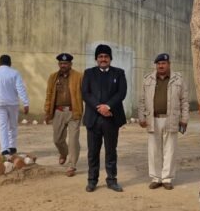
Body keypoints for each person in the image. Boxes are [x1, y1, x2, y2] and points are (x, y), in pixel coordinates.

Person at [138, 53, 189, 190]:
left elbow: (184, 101)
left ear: (169, 64)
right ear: (156, 65)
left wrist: (184, 119)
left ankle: (167, 178)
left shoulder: (178, 80)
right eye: (159, 64)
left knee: (170, 150)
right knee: (153, 150)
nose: (161, 66)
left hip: (171, 118)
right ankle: (156, 178)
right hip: (153, 119)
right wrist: (141, 117)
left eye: (163, 63)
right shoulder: (148, 79)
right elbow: (142, 100)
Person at [81, 44, 127, 192]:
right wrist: (99, 107)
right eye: (100, 56)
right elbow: (85, 93)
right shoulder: (89, 73)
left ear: (110, 58)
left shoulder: (119, 73)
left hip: (111, 118)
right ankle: (92, 180)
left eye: (106, 56)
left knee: (111, 151)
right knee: (93, 152)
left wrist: (108, 106)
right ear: (96, 59)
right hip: (93, 119)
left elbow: (121, 93)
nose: (103, 59)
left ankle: (112, 180)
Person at [44, 53, 83, 177]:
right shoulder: (53, 77)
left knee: (73, 140)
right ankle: (63, 153)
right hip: (58, 112)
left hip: (74, 111)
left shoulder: (79, 76)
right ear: (58, 64)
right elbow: (49, 95)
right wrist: (47, 111)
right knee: (57, 139)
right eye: (61, 63)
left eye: (65, 63)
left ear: (70, 64)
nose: (63, 65)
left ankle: (72, 165)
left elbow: (86, 93)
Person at [0, 54, 29, 156]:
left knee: (2, 126)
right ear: (10, 63)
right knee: (12, 125)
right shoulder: (15, 73)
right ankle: (12, 146)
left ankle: (4, 149)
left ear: (0, 63)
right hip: (13, 103)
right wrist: (25, 103)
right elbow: (20, 88)